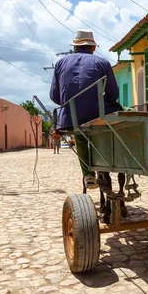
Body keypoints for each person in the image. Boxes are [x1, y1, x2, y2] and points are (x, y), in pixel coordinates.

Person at [49, 30, 122, 189]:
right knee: (111, 119)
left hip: (70, 118)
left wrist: (69, 104)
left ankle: (88, 174)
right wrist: (103, 102)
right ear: (93, 48)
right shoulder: (103, 63)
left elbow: (54, 96)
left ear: (75, 47)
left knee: (80, 133)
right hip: (97, 115)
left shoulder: (61, 63)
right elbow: (113, 95)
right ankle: (113, 160)